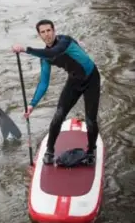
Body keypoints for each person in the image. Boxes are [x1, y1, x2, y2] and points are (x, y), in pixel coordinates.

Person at [12, 19, 100, 165]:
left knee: (90, 120)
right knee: (58, 115)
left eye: (49, 30)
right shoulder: (45, 57)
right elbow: (44, 83)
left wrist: (25, 49)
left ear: (54, 30)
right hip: (74, 81)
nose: (47, 34)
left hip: (91, 79)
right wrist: (32, 105)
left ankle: (91, 151)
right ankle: (49, 150)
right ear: (39, 35)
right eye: (43, 32)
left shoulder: (64, 41)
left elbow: (55, 51)